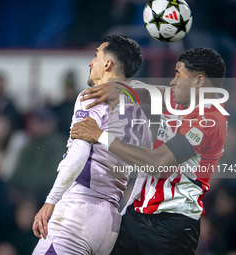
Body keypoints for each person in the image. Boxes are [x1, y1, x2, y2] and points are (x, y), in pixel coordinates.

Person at [71, 47, 228, 254]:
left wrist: (100, 135)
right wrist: (120, 88)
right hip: (138, 214)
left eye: (178, 74)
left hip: (172, 227)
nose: (173, 81)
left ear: (199, 81)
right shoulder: (180, 100)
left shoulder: (210, 121)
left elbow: (156, 163)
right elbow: (151, 93)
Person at [32, 34, 152, 255]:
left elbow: (78, 155)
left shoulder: (92, 96)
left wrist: (50, 201)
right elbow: (147, 170)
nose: (90, 62)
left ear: (108, 64)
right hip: (110, 225)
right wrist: (125, 211)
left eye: (96, 55)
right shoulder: (139, 114)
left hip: (78, 212)